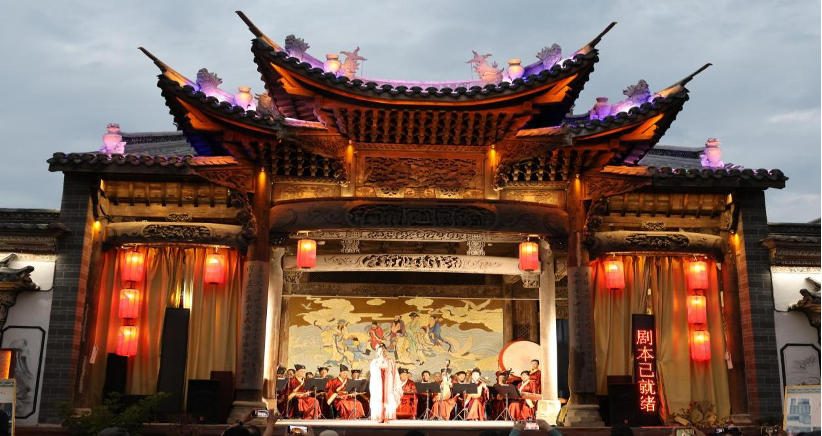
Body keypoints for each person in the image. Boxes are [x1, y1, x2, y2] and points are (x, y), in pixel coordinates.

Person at [368, 343, 403, 422]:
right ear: (377, 352)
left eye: (384, 351)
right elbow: (372, 375)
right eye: (380, 351)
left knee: (388, 398)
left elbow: (395, 373)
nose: (382, 353)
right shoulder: (374, 362)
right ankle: (380, 417)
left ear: (386, 352)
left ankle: (387, 416)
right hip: (378, 383)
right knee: (379, 398)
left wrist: (395, 385)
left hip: (388, 383)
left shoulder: (391, 361)